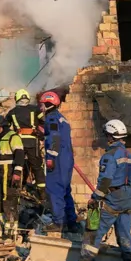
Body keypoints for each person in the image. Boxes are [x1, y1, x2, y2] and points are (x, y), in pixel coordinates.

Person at [77, 119, 131, 261]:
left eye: (106, 135)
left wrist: (95, 198)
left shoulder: (110, 156)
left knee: (93, 229)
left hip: (112, 199)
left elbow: (105, 180)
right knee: (125, 235)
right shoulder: (130, 156)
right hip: (127, 200)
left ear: (110, 136)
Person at [41, 91, 80, 235]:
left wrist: (50, 157)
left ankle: (58, 223)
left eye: (43, 104)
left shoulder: (51, 118)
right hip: (67, 159)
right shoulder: (62, 119)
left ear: (47, 103)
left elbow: (54, 137)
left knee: (54, 189)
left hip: (57, 160)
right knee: (65, 191)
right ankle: (71, 223)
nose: (42, 107)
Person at [0, 114, 25, 241]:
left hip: (10, 171)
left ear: (3, 126)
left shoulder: (13, 137)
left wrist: (17, 172)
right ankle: (5, 224)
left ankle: (11, 230)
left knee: (10, 199)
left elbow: (19, 155)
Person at [6, 88, 46, 199]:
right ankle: (42, 194)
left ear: (17, 99)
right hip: (33, 142)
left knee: (18, 166)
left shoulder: (12, 112)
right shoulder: (35, 110)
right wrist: (42, 135)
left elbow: (5, 127)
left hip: (18, 143)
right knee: (37, 167)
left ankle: (15, 191)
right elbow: (44, 122)